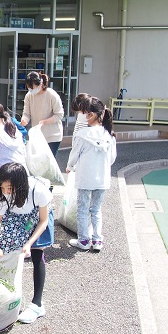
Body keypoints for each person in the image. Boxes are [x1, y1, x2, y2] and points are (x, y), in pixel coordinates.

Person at [0, 162, 52, 324]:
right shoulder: (5, 198)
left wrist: (29, 243)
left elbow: (43, 221)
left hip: (36, 217)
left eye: (8, 188)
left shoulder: (38, 192)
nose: (5, 192)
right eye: (2, 188)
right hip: (17, 218)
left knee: (37, 252)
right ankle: (4, 296)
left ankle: (37, 305)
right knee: (7, 243)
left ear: (20, 184)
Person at [66, 97, 117, 252]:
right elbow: (112, 159)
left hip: (85, 178)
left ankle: (83, 240)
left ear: (91, 114)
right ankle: (97, 240)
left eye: (85, 113)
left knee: (82, 209)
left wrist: (69, 166)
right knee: (96, 210)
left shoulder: (82, 134)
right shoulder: (108, 134)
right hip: (102, 178)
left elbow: (74, 154)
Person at [20, 72, 64, 157]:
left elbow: (59, 115)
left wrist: (45, 121)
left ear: (40, 84)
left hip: (52, 136)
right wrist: (24, 119)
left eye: (32, 88)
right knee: (38, 164)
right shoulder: (29, 96)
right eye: (29, 88)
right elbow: (26, 113)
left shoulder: (51, 95)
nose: (30, 90)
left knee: (49, 164)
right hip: (38, 135)